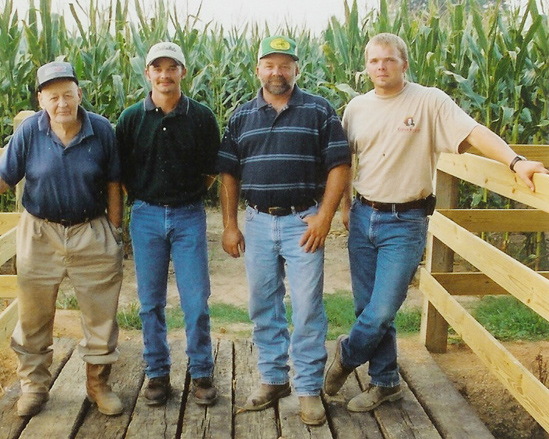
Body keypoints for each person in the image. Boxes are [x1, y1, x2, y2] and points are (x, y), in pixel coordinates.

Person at [324, 33, 549, 413]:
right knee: (369, 309)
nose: (381, 67)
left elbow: (474, 132)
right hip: (364, 215)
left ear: (405, 63)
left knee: (381, 311)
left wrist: (515, 162)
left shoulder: (429, 101)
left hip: (405, 220)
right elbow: (345, 161)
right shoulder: (356, 108)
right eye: (374, 61)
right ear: (366, 66)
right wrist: (346, 206)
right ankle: (386, 383)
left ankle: (346, 355)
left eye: (389, 60)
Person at [0, 61, 125, 417]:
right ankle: (34, 386)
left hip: (91, 231)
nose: (62, 103)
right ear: (41, 100)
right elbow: (3, 179)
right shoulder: (29, 133)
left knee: (101, 317)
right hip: (39, 232)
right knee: (33, 317)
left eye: (68, 94)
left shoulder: (102, 130)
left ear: (80, 94)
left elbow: (114, 182)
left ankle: (98, 384)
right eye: (53, 97)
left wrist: (114, 230)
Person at [217, 35, 351, 426]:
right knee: (263, 304)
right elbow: (228, 172)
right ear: (258, 69)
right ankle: (274, 378)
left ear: (296, 69)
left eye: (285, 65)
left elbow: (339, 165)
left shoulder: (319, 110)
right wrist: (229, 225)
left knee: (308, 307)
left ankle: (308, 388)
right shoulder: (241, 116)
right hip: (258, 222)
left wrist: (325, 216)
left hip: (303, 221)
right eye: (270, 65)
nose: (277, 72)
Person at [115, 42, 220, 407]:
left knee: (196, 301)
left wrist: (184, 196)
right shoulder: (130, 119)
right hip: (145, 216)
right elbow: (122, 174)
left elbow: (211, 172)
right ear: (147, 73)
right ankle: (157, 373)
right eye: (157, 68)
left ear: (182, 72)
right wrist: (146, 197)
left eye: (171, 67)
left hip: (189, 215)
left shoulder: (202, 117)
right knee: (149, 302)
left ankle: (202, 371)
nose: (164, 75)